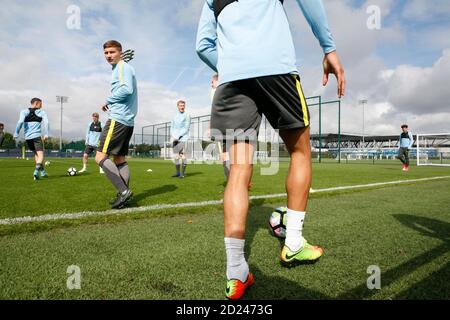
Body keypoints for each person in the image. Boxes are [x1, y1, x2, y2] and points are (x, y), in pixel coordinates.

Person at [196, 0, 345, 299]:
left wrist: (229, 66)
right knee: (300, 153)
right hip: (276, 71)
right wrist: (329, 48)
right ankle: (293, 243)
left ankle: (235, 272)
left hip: (232, 80)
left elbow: (203, 45)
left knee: (239, 169)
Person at [95, 40, 138, 209]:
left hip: (118, 119)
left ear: (120, 52)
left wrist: (108, 100)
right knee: (119, 158)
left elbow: (127, 89)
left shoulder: (122, 67)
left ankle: (123, 191)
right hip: (127, 120)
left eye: (112, 52)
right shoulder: (122, 67)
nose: (108, 56)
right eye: (106, 53)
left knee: (99, 157)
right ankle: (124, 194)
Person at [13, 98, 50, 180]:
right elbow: (46, 122)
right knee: (41, 155)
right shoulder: (42, 112)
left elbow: (20, 121)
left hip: (28, 138)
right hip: (37, 137)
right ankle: (36, 172)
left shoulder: (23, 112)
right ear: (36, 103)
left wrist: (16, 133)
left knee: (36, 155)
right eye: (41, 103)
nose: (42, 105)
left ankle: (43, 172)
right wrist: (46, 134)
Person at [211, 74, 230, 181]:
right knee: (226, 156)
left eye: (213, 81)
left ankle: (234, 181)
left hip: (225, 126)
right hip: (223, 127)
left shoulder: (219, 91)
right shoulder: (214, 92)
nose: (211, 84)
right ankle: (234, 180)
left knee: (226, 156)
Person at [170, 100, 191, 178]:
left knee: (183, 156)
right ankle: (177, 172)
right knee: (176, 157)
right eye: (180, 105)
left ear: (184, 106)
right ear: (178, 106)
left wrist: (178, 136)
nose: (182, 107)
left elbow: (186, 128)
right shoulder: (174, 115)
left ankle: (182, 173)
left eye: (183, 105)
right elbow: (171, 126)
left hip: (184, 139)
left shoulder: (187, 115)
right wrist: (173, 135)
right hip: (175, 139)